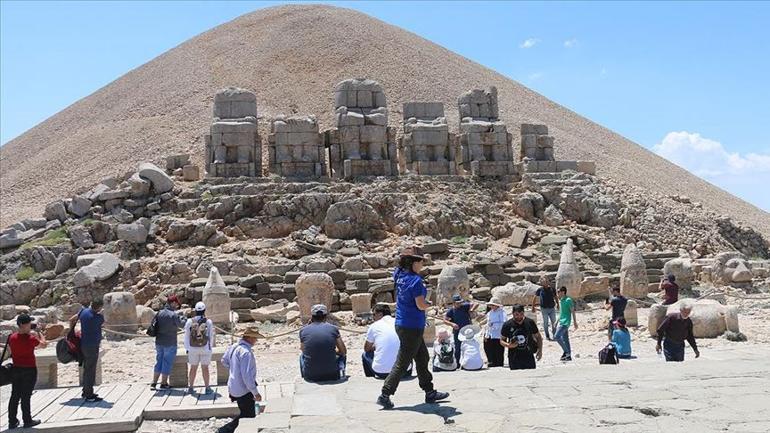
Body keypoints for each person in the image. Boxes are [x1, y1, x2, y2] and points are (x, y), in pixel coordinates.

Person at [377, 246, 449, 410]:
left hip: (403, 323)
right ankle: (385, 393)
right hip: (412, 326)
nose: (422, 264)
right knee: (402, 362)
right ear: (413, 262)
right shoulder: (416, 281)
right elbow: (420, 305)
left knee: (422, 358)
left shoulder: (399, 274)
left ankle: (429, 391)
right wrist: (429, 304)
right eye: (420, 261)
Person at [218, 326, 263, 433]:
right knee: (248, 416)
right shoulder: (246, 352)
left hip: (234, 385)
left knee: (245, 413)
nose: (256, 341)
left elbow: (224, 361)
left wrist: (234, 370)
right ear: (249, 338)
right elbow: (247, 376)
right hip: (244, 389)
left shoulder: (234, 346)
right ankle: (224, 431)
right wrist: (255, 393)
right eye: (255, 338)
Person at [6, 314, 47, 428]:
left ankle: (12, 421)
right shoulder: (31, 338)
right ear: (24, 325)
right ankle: (27, 420)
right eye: (29, 323)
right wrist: (40, 333)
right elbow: (44, 345)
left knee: (14, 395)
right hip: (29, 369)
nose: (30, 325)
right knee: (25, 396)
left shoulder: (11, 337)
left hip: (16, 369)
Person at [299, 304, 347, 382]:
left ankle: (305, 376)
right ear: (326, 316)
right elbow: (343, 351)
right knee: (342, 356)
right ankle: (341, 372)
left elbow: (303, 350)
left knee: (302, 356)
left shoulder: (303, 330)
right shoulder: (333, 329)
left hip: (311, 376)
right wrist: (334, 352)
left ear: (312, 316)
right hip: (332, 375)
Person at [362, 304, 411, 379]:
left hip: (382, 373)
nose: (373, 317)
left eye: (374, 314)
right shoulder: (400, 323)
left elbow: (367, 349)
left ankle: (370, 379)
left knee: (365, 354)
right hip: (403, 372)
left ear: (380, 314)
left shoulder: (374, 326)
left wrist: (375, 347)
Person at [69, 299, 104, 402]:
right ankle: (89, 394)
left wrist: (72, 332)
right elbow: (103, 322)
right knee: (90, 369)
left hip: (84, 344)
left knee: (87, 368)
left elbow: (72, 319)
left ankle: (86, 391)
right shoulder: (98, 317)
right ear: (99, 307)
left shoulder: (83, 311)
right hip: (92, 346)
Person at [151, 294, 184, 390]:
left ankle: (153, 383)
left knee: (159, 361)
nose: (177, 306)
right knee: (167, 362)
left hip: (159, 341)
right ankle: (164, 383)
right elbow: (181, 324)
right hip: (170, 342)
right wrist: (184, 318)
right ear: (173, 303)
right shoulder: (173, 315)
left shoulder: (159, 313)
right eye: (176, 304)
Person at [184, 301, 215, 394]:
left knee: (193, 368)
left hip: (193, 348)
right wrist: (210, 348)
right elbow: (211, 336)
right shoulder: (208, 322)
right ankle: (207, 387)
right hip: (205, 348)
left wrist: (188, 348)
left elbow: (186, 336)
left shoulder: (190, 321)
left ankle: (191, 387)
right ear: (204, 310)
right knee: (205, 368)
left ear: (195, 311)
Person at [500, 305, 542, 370]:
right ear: (512, 313)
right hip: (514, 357)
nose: (519, 316)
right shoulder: (507, 325)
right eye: (516, 314)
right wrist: (509, 345)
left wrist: (540, 350)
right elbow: (502, 340)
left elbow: (538, 337)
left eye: (521, 314)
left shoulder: (530, 322)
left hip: (528, 356)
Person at [444, 294, 478, 364]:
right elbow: (445, 320)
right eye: (457, 303)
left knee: (468, 346)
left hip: (467, 330)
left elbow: (476, 304)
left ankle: (468, 362)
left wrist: (471, 310)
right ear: (453, 303)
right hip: (457, 331)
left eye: (460, 302)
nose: (459, 304)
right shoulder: (451, 311)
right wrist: (452, 324)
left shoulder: (464, 306)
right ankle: (457, 363)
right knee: (458, 347)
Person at [553, 287, 578, 361]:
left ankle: (566, 352)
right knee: (565, 339)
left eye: (559, 291)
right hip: (561, 321)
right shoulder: (561, 300)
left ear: (563, 292)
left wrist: (575, 322)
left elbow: (572, 311)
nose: (557, 293)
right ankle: (568, 355)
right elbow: (561, 312)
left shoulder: (568, 300)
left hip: (566, 322)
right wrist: (556, 321)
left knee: (556, 336)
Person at [483, 297, 506, 367]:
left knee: (498, 349)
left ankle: (499, 362)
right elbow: (488, 323)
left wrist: (494, 325)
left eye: (493, 305)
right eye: (491, 305)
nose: (492, 307)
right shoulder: (489, 313)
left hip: (498, 334)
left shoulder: (502, 312)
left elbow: (504, 323)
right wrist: (486, 333)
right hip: (490, 333)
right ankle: (491, 361)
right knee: (488, 347)